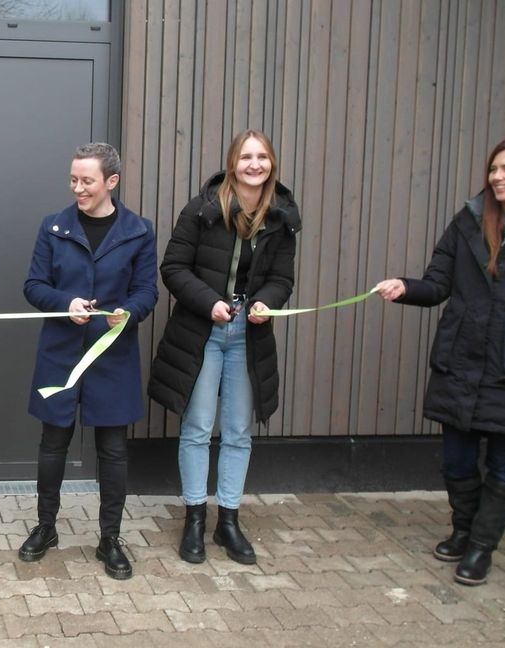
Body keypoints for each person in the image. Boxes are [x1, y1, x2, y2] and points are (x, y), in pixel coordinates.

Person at [375, 136, 505, 586]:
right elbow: (438, 284)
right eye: (494, 169)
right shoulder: (469, 223)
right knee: (456, 460)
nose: (497, 177)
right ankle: (463, 528)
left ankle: (481, 548)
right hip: (464, 359)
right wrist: (405, 287)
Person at [147, 129, 300, 566]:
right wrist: (210, 303)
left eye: (263, 157)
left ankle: (228, 520)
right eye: (247, 157)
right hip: (203, 331)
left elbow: (283, 279)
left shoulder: (282, 217)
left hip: (249, 336)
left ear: (271, 164)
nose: (255, 164)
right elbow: (173, 268)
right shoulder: (202, 210)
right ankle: (194, 516)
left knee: (237, 432)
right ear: (232, 163)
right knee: (197, 427)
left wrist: (266, 303)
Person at [17, 143, 158, 580]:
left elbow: (146, 291)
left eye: (87, 181)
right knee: (52, 444)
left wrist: (129, 313)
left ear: (111, 182)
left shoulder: (139, 231)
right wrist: (65, 303)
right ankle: (46, 528)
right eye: (73, 180)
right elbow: (34, 285)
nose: (78, 188)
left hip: (112, 354)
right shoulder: (53, 226)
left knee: (113, 450)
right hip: (60, 352)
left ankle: (109, 538)